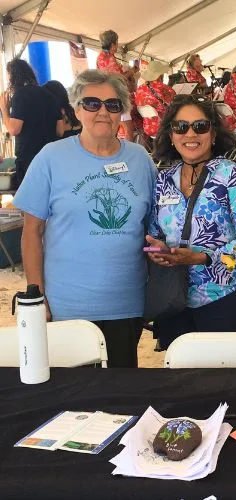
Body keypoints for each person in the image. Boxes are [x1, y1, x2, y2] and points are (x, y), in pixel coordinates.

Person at [13, 69, 156, 367]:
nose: (103, 112)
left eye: (113, 105)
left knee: (122, 395)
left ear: (123, 113)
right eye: (92, 103)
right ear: (77, 110)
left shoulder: (140, 159)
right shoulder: (51, 157)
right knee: (74, 400)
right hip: (68, 305)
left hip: (126, 304)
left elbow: (152, 225)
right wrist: (37, 296)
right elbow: (31, 233)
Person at [146, 95, 236, 349]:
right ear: (171, 135)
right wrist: (158, 251)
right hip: (175, 300)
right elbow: (154, 231)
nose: (190, 134)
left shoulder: (231, 174)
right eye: (180, 127)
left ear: (214, 133)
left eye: (200, 126)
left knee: (227, 381)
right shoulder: (164, 180)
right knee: (181, 381)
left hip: (224, 298)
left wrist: (203, 257)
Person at [0, 59, 60, 188]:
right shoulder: (49, 95)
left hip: (29, 159)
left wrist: (4, 109)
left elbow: (14, 129)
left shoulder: (20, 95)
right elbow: (58, 131)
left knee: (31, 201)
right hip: (50, 156)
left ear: (13, 76)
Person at [96, 30, 137, 142]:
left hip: (108, 95)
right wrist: (132, 71)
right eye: (117, 43)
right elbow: (119, 78)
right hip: (116, 95)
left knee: (116, 126)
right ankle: (128, 154)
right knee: (128, 127)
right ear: (113, 44)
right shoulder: (108, 58)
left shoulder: (102, 56)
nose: (117, 45)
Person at [134, 60, 176, 138]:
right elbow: (174, 103)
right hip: (163, 127)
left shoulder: (139, 89)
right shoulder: (164, 88)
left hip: (148, 127)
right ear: (160, 75)